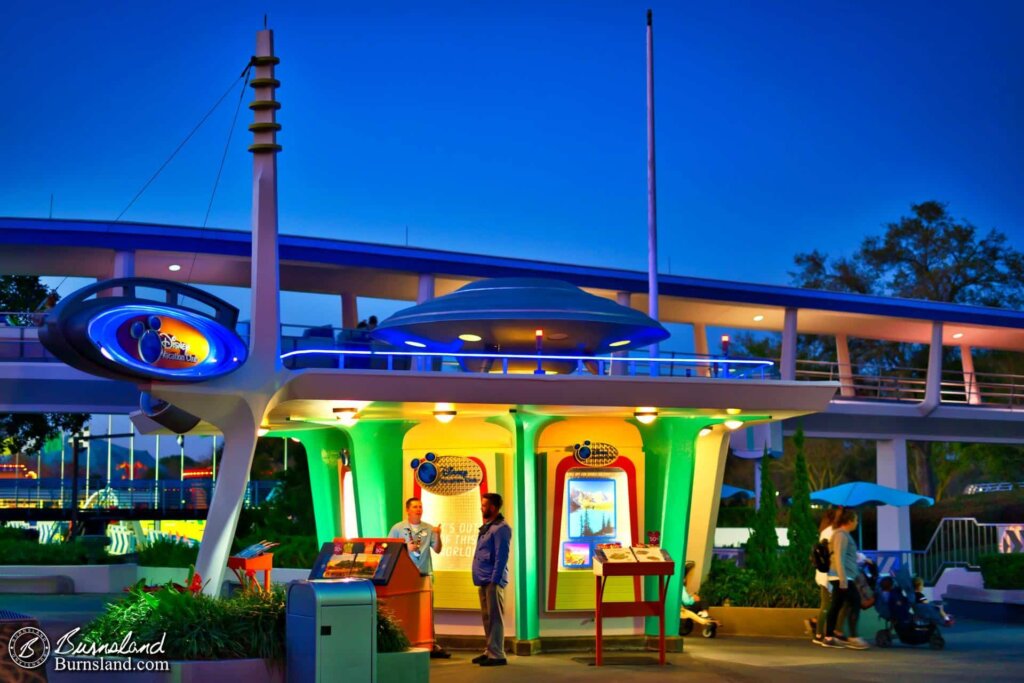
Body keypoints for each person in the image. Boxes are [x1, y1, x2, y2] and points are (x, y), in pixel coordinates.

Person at [388, 497, 451, 658]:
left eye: (420, 506)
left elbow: (437, 549)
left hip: (424, 574)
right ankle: (404, 642)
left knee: (427, 611)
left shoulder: (429, 528)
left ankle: (431, 643)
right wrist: (405, 547)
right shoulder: (398, 528)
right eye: (415, 506)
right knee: (406, 610)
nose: (418, 509)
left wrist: (438, 535)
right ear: (408, 510)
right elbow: (389, 549)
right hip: (404, 575)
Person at [471, 492, 512, 667]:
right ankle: (490, 650)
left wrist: (495, 580)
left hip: (492, 580)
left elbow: (501, 556)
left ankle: (497, 654)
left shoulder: (501, 528)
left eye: (484, 505)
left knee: (495, 618)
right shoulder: (488, 526)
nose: (482, 507)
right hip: (483, 578)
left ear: (493, 508)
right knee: (487, 617)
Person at [822, 509, 869, 649]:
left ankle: (830, 636)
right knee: (855, 603)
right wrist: (843, 579)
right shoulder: (841, 535)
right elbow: (839, 557)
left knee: (837, 606)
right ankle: (853, 637)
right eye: (855, 520)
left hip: (842, 576)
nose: (857, 523)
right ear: (849, 521)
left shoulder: (842, 535)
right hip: (842, 577)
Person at [808, 508, 838, 646]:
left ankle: (819, 628)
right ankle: (820, 633)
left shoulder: (826, 531)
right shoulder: (831, 532)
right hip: (828, 573)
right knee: (826, 604)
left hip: (824, 573)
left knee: (828, 604)